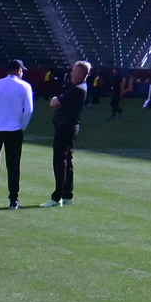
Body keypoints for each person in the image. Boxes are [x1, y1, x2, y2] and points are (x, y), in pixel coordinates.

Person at [0, 59, 34, 209]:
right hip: (14, 131)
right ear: (18, 70)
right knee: (13, 165)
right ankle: (13, 200)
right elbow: (28, 110)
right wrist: (22, 127)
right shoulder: (25, 86)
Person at [47, 60, 90, 206]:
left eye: (74, 72)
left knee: (60, 161)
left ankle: (57, 196)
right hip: (69, 127)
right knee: (67, 161)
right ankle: (67, 195)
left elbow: (54, 102)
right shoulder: (77, 88)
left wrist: (56, 100)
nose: (71, 74)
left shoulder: (76, 89)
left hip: (65, 128)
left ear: (82, 74)